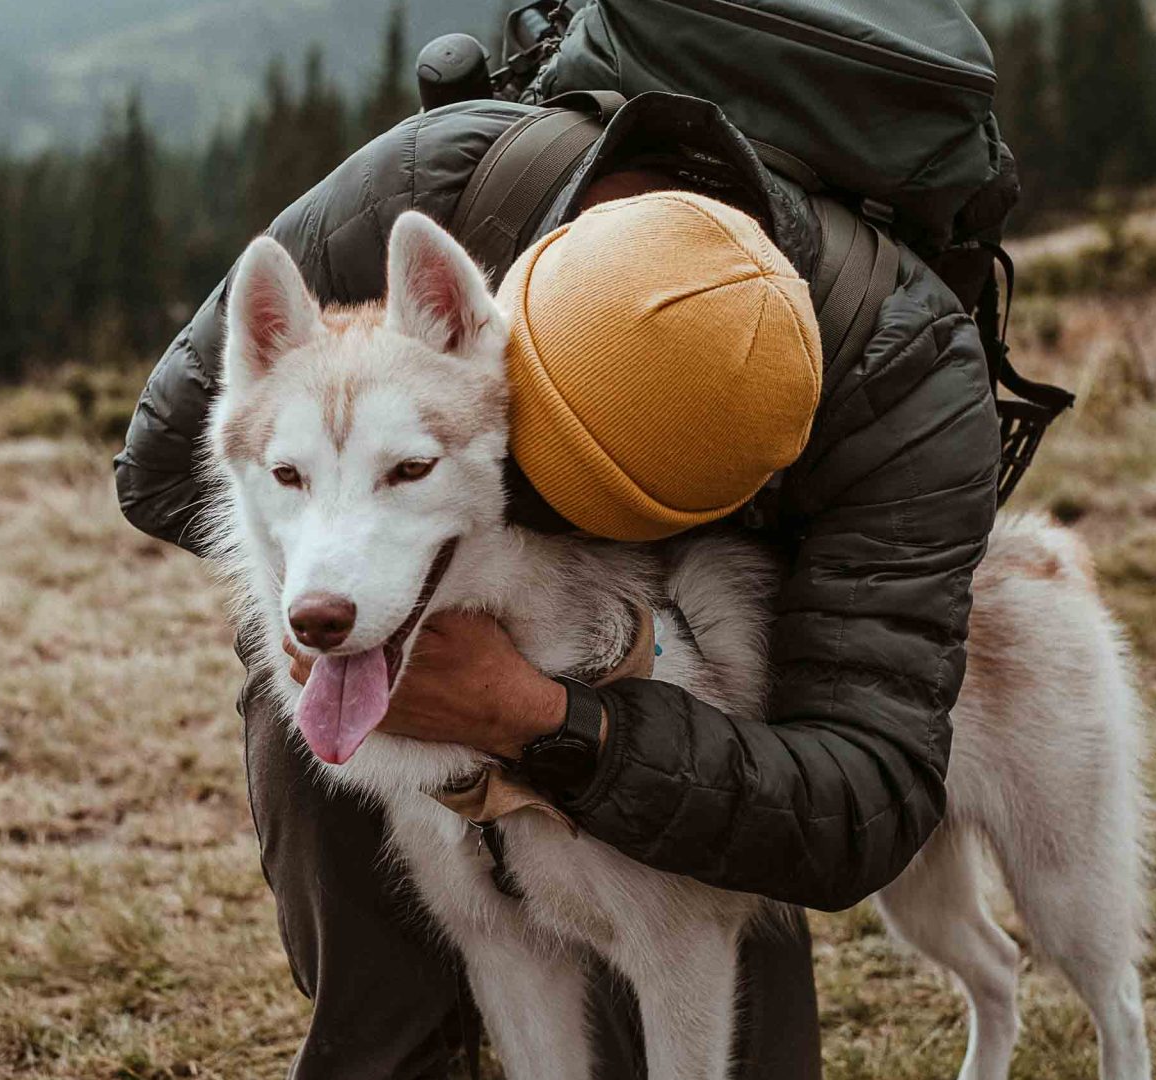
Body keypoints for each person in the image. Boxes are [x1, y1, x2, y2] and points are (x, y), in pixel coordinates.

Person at [116, 92, 999, 1079]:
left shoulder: (906, 369)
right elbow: (153, 473)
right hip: (464, 547)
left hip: (727, 699)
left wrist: (538, 716)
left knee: (699, 983)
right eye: (554, 457)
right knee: (313, 653)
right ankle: (401, 1047)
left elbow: (855, 810)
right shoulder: (426, 186)